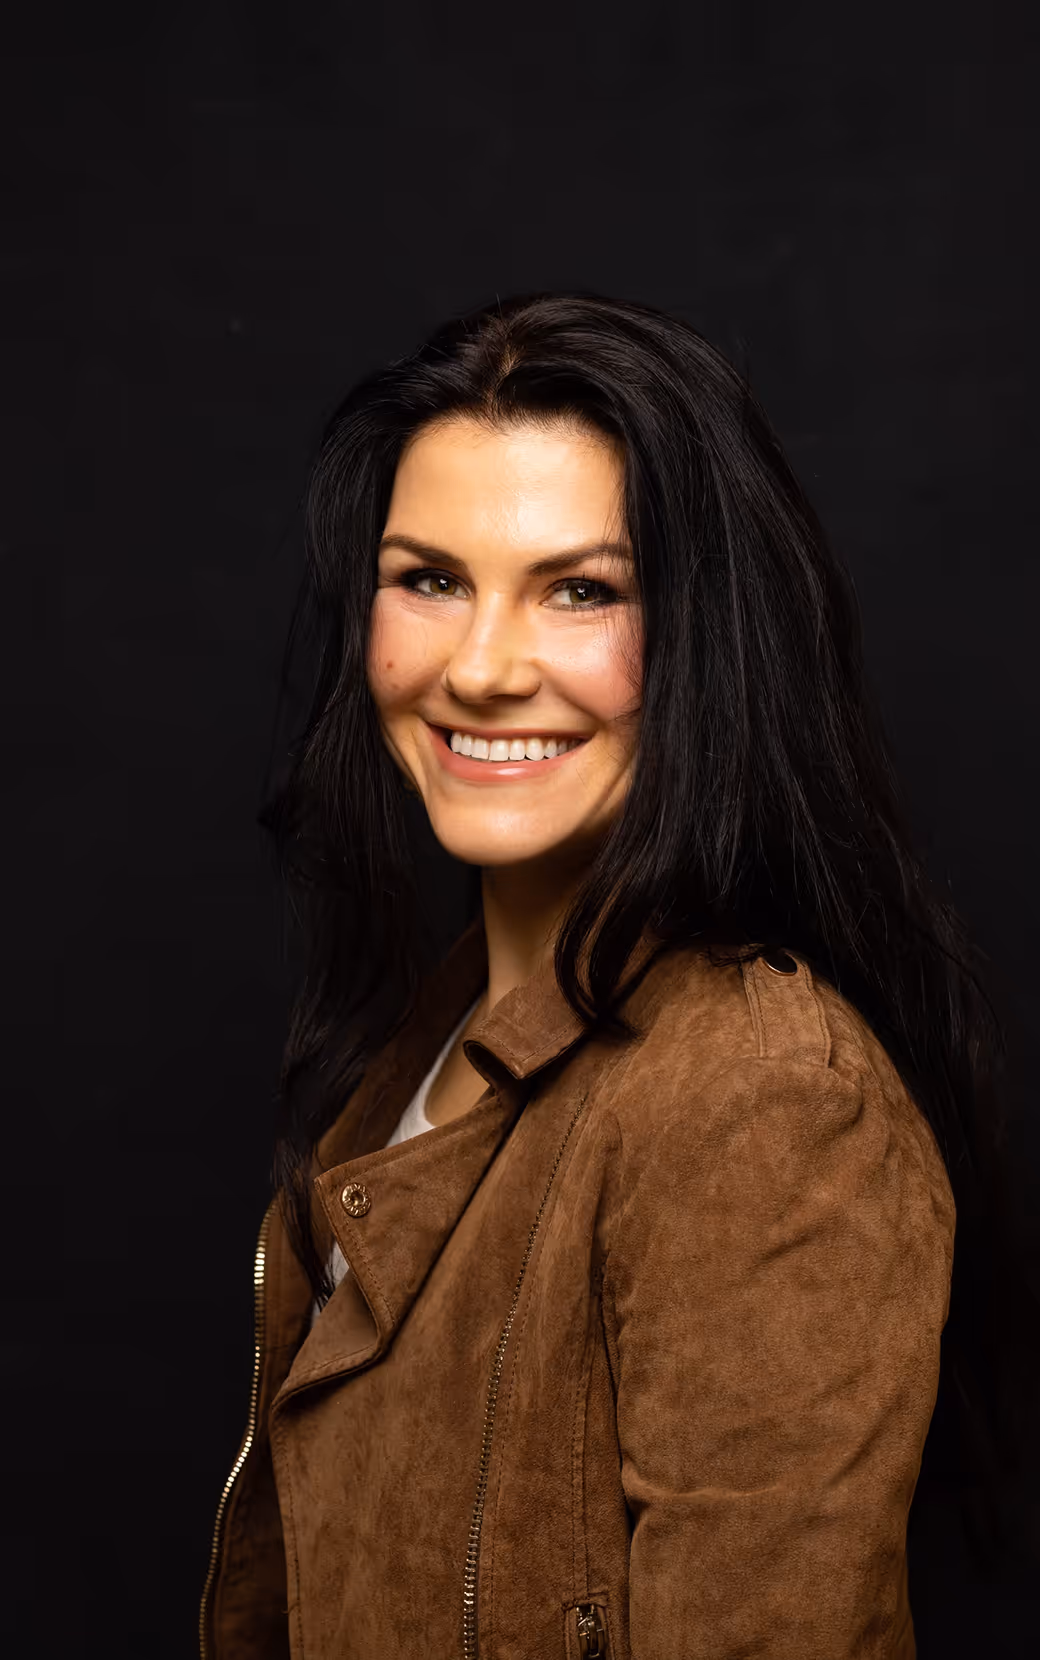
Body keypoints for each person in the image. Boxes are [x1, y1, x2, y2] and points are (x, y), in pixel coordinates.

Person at [199, 292, 1033, 1659]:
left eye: (582, 590)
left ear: (709, 636)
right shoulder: (421, 1048)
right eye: (431, 579)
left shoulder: (760, 1103)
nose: (481, 668)